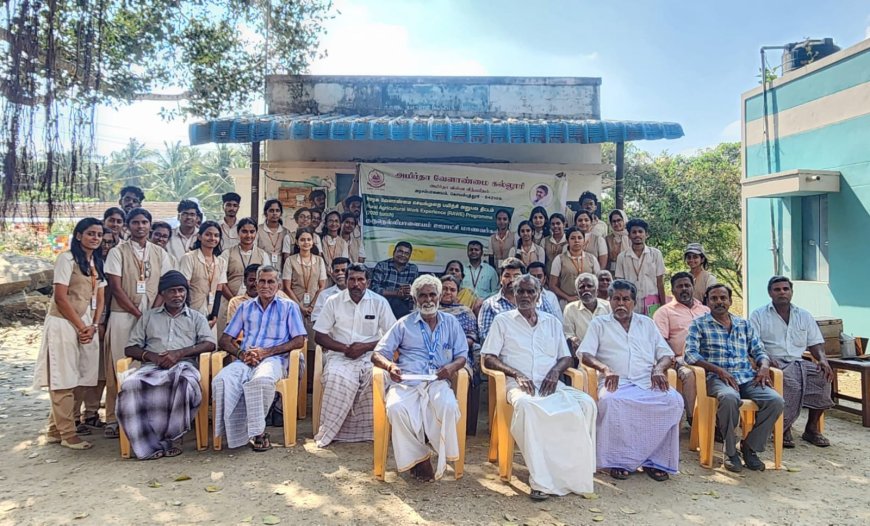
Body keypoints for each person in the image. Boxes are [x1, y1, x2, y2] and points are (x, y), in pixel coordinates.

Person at [482, 274, 597, 500]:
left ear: (539, 295)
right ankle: (542, 480)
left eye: (530, 292)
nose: (525, 296)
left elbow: (565, 357)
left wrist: (555, 372)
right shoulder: (503, 321)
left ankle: (575, 475)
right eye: (520, 292)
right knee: (528, 407)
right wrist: (516, 373)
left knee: (587, 404)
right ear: (513, 295)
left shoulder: (551, 322)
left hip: (550, 384)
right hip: (517, 384)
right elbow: (488, 357)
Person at [579, 279, 683, 482]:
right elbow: (585, 354)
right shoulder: (599, 323)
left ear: (633, 302)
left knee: (674, 401)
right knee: (611, 402)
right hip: (616, 382)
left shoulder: (647, 323)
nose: (620, 303)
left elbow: (666, 354)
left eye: (626, 299)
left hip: (647, 381)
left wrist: (659, 369)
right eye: (616, 298)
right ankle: (618, 460)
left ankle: (654, 461)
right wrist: (605, 369)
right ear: (608, 300)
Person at [372, 275, 469, 481]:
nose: (428, 300)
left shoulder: (451, 323)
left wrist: (450, 368)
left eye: (432, 294)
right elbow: (377, 354)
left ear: (439, 296)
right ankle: (420, 459)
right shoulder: (403, 324)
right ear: (415, 299)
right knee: (396, 408)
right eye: (422, 295)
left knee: (449, 406)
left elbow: (462, 355)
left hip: (437, 382)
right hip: (406, 382)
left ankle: (434, 450)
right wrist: (390, 366)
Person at [116, 271, 216, 460]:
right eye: (172, 291)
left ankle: (168, 438)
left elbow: (210, 344)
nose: (178, 295)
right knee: (130, 385)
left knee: (182, 384)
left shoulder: (196, 317)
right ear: (162, 294)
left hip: (183, 366)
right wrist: (152, 356)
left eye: (181, 290)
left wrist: (179, 353)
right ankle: (148, 444)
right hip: (152, 367)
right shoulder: (148, 317)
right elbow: (130, 348)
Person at [685, 284, 784, 472]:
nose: (719, 302)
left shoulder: (744, 324)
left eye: (723, 298)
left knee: (776, 401)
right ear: (707, 302)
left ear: (730, 301)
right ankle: (730, 452)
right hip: (717, 379)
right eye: (714, 298)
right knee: (729, 398)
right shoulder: (699, 324)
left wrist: (763, 367)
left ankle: (749, 447)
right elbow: (690, 355)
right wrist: (719, 370)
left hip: (747, 377)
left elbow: (759, 351)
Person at [213, 265, 307, 450]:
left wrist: (266, 352)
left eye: (271, 281)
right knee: (222, 380)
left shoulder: (289, 307)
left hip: (276, 359)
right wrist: (241, 354)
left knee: (261, 380)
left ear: (278, 285)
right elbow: (224, 340)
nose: (266, 285)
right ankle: (237, 434)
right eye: (262, 281)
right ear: (255, 283)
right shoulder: (245, 307)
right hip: (246, 359)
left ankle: (258, 433)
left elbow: (299, 341)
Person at [33, 218, 106, 450]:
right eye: (90, 234)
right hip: (64, 322)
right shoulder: (67, 259)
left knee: (84, 374)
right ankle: (68, 433)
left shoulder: (95, 261)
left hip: (87, 322)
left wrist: (93, 325)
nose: (95, 238)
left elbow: (100, 297)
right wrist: (79, 326)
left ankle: (55, 429)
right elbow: (60, 297)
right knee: (63, 376)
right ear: (78, 235)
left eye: (98, 234)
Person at [104, 208, 173, 439]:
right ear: (127, 226)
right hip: (123, 315)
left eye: (144, 222)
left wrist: (152, 312)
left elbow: (165, 284)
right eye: (135, 222)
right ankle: (114, 418)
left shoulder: (159, 252)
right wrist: (137, 313)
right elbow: (115, 286)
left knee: (148, 366)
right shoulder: (117, 252)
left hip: (152, 315)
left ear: (150, 225)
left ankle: (144, 416)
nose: (140, 226)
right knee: (120, 366)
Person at [313, 263, 396, 447]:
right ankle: (332, 431)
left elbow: (392, 335)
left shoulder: (379, 302)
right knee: (336, 377)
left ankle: (370, 432)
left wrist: (365, 347)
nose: (356, 284)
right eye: (352, 279)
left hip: (371, 356)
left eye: (360, 280)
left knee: (379, 377)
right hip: (340, 356)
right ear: (346, 280)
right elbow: (319, 335)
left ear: (368, 282)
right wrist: (344, 348)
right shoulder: (333, 301)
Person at [750, 276, 833, 448]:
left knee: (823, 378)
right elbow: (753, 343)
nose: (782, 293)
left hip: (799, 361)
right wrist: (765, 359)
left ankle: (811, 429)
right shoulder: (758, 315)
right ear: (770, 293)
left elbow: (815, 342)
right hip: (772, 363)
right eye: (777, 289)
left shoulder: (803, 315)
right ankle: (783, 427)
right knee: (789, 382)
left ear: (791, 292)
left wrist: (823, 360)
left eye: (785, 289)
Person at [652, 272, 710, 425]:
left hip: (710, 358)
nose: (684, 289)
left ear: (693, 287)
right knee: (690, 374)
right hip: (680, 361)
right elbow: (660, 343)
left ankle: (720, 420)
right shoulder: (664, 312)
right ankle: (695, 420)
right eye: (679, 286)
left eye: (687, 285)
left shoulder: (705, 310)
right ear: (673, 290)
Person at [478, 258, 559, 341]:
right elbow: (486, 337)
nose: (512, 280)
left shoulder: (539, 300)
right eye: (507, 276)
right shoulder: (490, 305)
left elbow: (554, 328)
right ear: (500, 279)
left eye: (516, 276)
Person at [219, 217, 270, 335]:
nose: (248, 235)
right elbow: (221, 281)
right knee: (229, 337)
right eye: (244, 231)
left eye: (252, 232)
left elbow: (267, 280)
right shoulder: (227, 253)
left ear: (256, 233)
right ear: (238, 233)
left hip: (256, 304)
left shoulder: (262, 255)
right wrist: (233, 300)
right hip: (229, 302)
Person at [282, 228, 327, 355]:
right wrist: (300, 307)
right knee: (295, 340)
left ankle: (312, 372)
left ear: (313, 242)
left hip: (315, 306)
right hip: (294, 305)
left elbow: (322, 286)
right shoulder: (290, 260)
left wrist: (312, 305)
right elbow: (287, 287)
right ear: (297, 242)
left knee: (313, 342)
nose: (306, 242)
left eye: (308, 239)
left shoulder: (319, 260)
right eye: (302, 240)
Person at [179, 221, 228, 331]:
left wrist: (215, 315)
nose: (212, 238)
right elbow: (183, 287)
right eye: (208, 234)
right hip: (192, 310)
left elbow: (219, 290)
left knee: (209, 345)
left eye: (216, 235)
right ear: (199, 237)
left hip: (210, 313)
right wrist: (187, 312)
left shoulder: (221, 262)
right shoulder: (189, 258)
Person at [614, 218, 665, 314]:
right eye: (634, 232)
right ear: (629, 236)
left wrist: (663, 306)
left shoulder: (655, 254)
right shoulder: (622, 257)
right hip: (630, 302)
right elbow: (619, 285)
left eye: (640, 232)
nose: (637, 235)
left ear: (646, 234)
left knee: (651, 327)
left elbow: (660, 282)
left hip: (652, 301)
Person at [549, 226, 602, 309]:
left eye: (579, 238)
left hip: (589, 302)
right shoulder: (559, 259)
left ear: (584, 241)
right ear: (568, 241)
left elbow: (598, 282)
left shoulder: (591, 258)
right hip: (567, 302)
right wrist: (568, 297)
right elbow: (552, 285)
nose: (576, 241)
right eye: (573, 238)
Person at [563, 273, 612, 352]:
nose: (586, 289)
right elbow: (568, 333)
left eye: (589, 286)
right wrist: (573, 340)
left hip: (606, 351)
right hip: (583, 352)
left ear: (596, 290)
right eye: (581, 287)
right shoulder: (570, 309)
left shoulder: (608, 306)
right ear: (577, 292)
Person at [370, 242, 419, 318]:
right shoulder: (382, 266)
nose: (403, 255)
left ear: (409, 256)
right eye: (400, 251)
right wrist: (396, 293)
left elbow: (416, 293)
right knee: (395, 302)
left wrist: (408, 293)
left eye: (406, 253)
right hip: (382, 304)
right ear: (394, 252)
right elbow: (374, 290)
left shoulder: (413, 269)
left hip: (404, 306)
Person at [311, 257, 350, 323]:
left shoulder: (357, 293)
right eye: (337, 271)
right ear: (332, 274)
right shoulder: (324, 295)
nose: (340, 273)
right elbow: (316, 318)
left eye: (343, 270)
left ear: (350, 273)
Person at [258, 199, 291, 269]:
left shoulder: (286, 232)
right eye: (271, 210)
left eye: (277, 210)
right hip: (262, 270)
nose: (274, 213)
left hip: (281, 271)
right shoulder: (258, 230)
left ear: (281, 213)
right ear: (265, 213)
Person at [320, 211, 349, 284]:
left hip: (338, 278)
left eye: (336, 221)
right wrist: (329, 273)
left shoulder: (343, 243)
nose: (334, 224)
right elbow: (319, 260)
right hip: (322, 277)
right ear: (326, 224)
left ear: (340, 224)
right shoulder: (320, 240)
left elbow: (344, 262)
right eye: (331, 221)